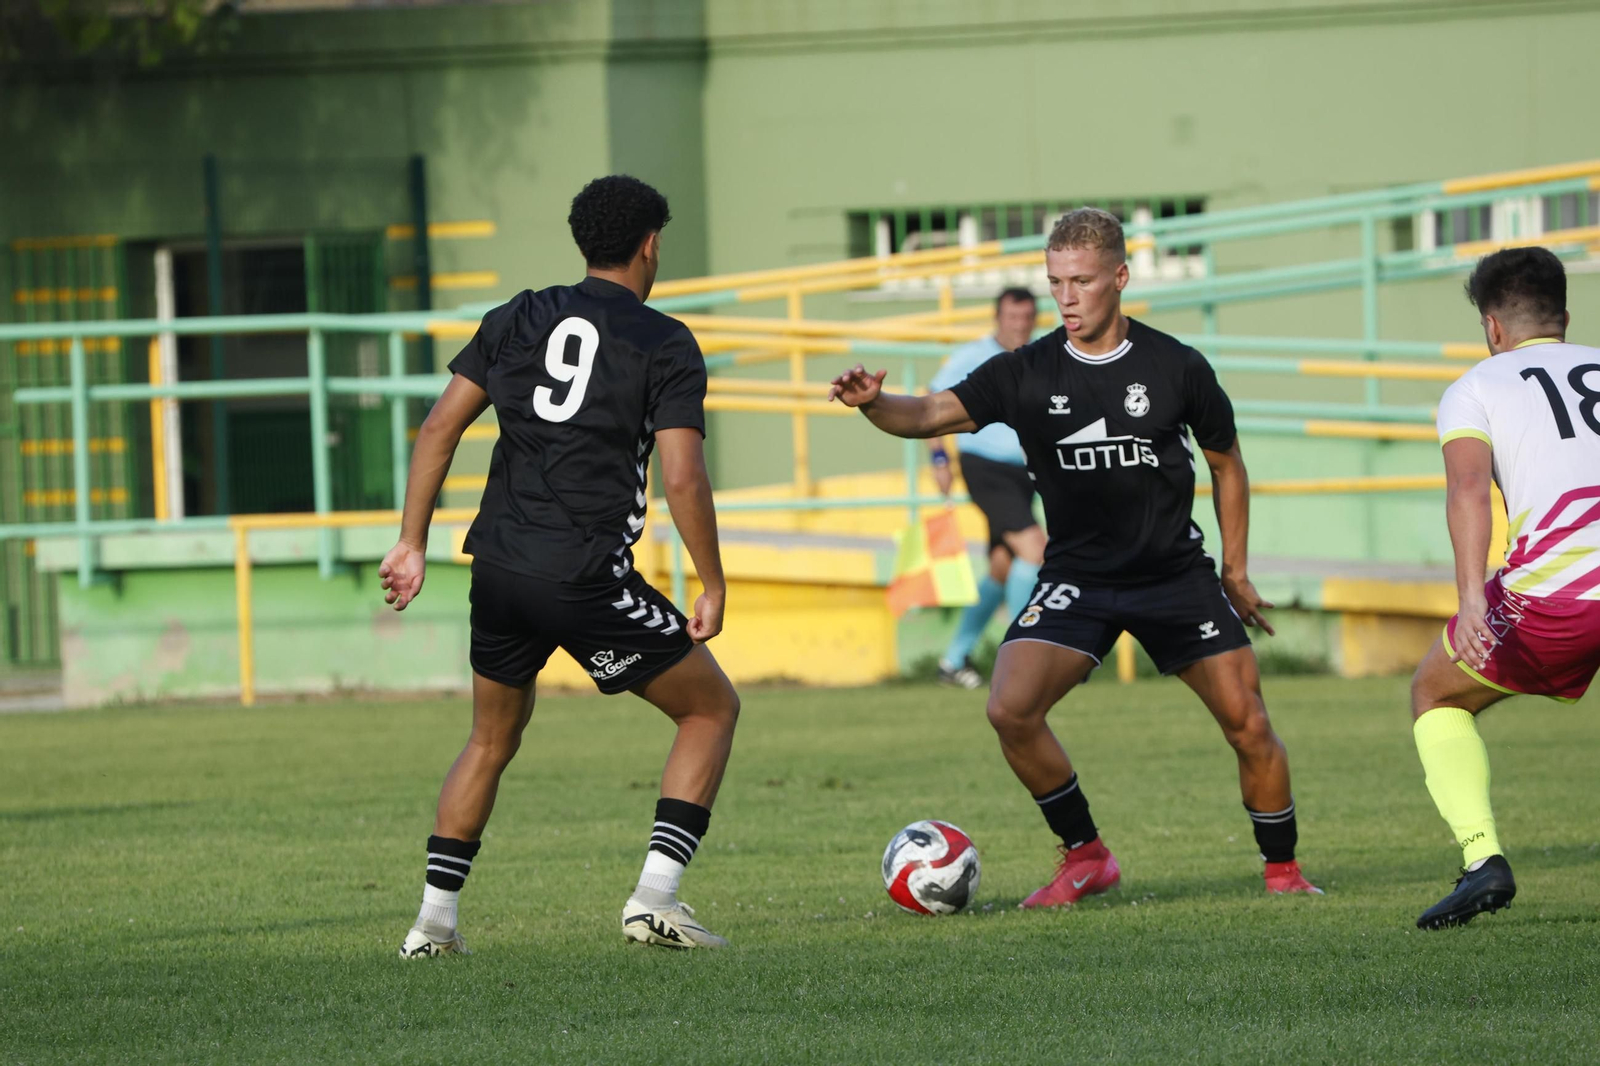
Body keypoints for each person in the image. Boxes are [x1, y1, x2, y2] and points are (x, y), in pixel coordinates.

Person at [828, 207, 1320, 906]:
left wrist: (1234, 571)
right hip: (1079, 579)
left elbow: (1227, 463)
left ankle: (1283, 872)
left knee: (1249, 722)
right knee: (1009, 708)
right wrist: (873, 405)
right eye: (1056, 281)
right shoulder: (1024, 372)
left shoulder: (1176, 366)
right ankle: (1086, 855)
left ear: (1118, 278)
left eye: (1081, 281)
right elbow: (930, 414)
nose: (1066, 298)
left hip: (1174, 576)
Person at [379, 175, 740, 955]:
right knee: (710, 710)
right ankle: (656, 898)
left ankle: (431, 926)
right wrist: (711, 582)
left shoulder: (519, 315)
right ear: (650, 244)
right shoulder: (664, 341)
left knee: (489, 741)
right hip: (582, 576)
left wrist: (410, 541)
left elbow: (440, 427)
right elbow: (681, 475)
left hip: (500, 568)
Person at [1410, 246, 1600, 930]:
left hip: (1557, 595)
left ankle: (1482, 860)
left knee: (1434, 693)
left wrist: (1469, 600)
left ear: (1493, 327)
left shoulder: (1478, 385)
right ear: (1565, 318)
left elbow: (1468, 489)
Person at [928, 288, 1047, 688]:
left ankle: (953, 660)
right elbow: (932, 400)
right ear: (998, 318)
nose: (1020, 324)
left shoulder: (1039, 355)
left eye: (1027, 317)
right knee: (1036, 550)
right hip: (984, 469)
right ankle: (1021, 660)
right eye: (1013, 317)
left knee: (1003, 564)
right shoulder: (971, 356)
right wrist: (939, 459)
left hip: (1025, 473)